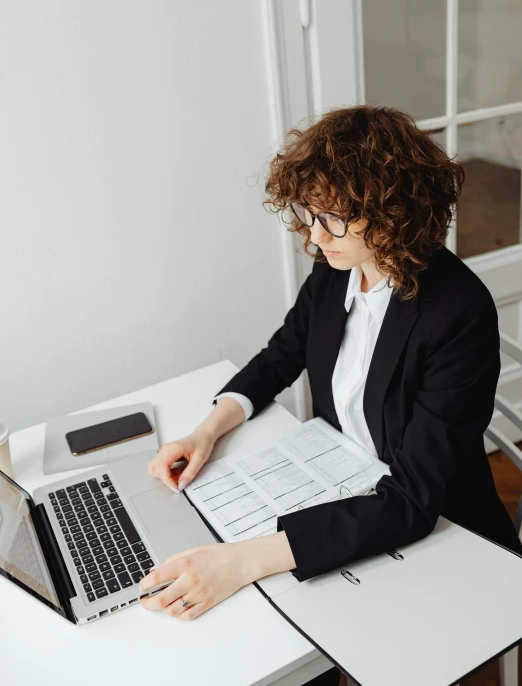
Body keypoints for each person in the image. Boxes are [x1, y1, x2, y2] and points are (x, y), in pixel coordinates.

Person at [139, 105, 522, 686]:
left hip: (447, 533)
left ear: (395, 211)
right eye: (312, 214)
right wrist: (206, 430)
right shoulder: (335, 268)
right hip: (351, 489)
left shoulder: (458, 312)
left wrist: (242, 560)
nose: (315, 236)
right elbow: (280, 356)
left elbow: (414, 501)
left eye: (335, 218)